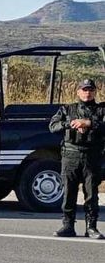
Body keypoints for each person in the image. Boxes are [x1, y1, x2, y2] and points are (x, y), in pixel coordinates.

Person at [48, 79, 104, 238]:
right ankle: (67, 225)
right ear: (78, 91)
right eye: (84, 89)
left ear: (95, 92)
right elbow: (53, 126)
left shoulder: (101, 110)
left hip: (92, 156)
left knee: (91, 193)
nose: (87, 93)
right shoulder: (67, 109)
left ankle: (91, 227)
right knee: (69, 192)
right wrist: (70, 123)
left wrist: (89, 123)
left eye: (91, 90)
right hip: (70, 155)